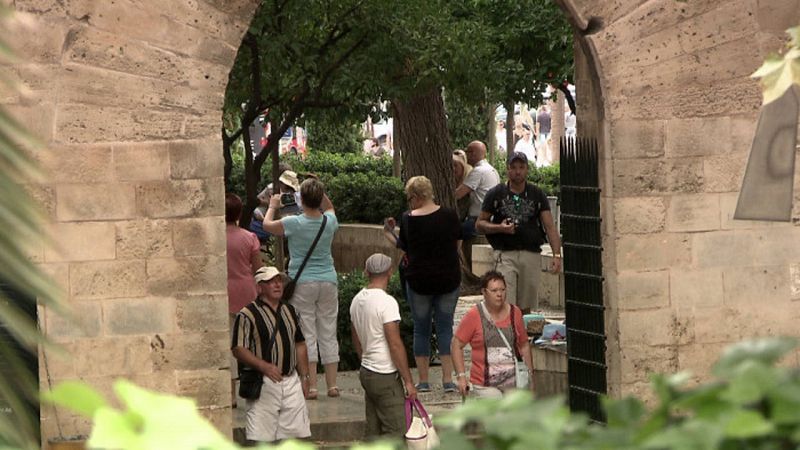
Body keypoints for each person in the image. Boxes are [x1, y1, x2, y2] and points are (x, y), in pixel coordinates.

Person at [262, 177, 340, 399]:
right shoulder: (329, 221)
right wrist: (317, 188)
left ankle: (312, 385)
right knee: (328, 329)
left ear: (300, 199)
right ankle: (332, 385)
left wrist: (272, 206)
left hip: (302, 281)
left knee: (307, 332)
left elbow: (267, 225)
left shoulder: (293, 222)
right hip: (328, 280)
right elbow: (330, 207)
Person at [384, 176, 461, 393]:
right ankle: (447, 379)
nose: (410, 203)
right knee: (445, 327)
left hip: (419, 281)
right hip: (448, 278)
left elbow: (403, 246)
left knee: (421, 329)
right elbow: (458, 241)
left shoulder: (408, 219)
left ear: (416, 197)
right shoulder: (449, 215)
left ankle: (424, 380)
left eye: (410, 198)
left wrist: (387, 231)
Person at [231, 266, 311, 443]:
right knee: (261, 438)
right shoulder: (247, 314)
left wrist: (305, 377)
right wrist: (263, 366)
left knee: (296, 437)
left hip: (290, 379)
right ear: (260, 287)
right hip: (264, 381)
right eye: (271, 281)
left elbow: (300, 343)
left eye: (279, 281)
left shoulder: (290, 311)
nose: (277, 285)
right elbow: (238, 348)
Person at [476, 152, 562, 315]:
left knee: (527, 304)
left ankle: (524, 335)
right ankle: (507, 334)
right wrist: (499, 228)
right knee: (505, 300)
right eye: (513, 167)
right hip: (505, 253)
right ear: (508, 170)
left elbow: (550, 226)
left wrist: (556, 255)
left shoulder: (537, 194)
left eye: (521, 167)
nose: (517, 171)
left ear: (527, 170)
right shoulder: (496, 193)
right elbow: (480, 223)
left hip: (530, 253)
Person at [350, 253, 418, 437]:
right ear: (390, 272)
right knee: (398, 430)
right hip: (385, 373)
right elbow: (394, 344)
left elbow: (355, 334)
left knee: (373, 430)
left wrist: (364, 358)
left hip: (367, 370)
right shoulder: (387, 302)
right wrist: (409, 381)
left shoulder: (357, 299)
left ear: (367, 271)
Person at [451, 271, 534, 397]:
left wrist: (530, 374)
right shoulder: (474, 315)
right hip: (485, 383)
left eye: (502, 290)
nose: (499, 294)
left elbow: (524, 345)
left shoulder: (515, 313)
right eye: (494, 291)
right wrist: (461, 376)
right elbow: (456, 344)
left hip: (513, 380)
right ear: (484, 292)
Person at [226, 193, 264, 407]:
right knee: (251, 341)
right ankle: (255, 386)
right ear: (239, 213)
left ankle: (230, 394)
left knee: (228, 344)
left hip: (225, 293)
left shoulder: (214, 237)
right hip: (247, 292)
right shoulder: (249, 238)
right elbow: (258, 269)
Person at [455, 141, 501, 266]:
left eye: (468, 151)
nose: (466, 155)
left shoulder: (478, 171)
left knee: (450, 232)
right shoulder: (492, 170)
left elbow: (458, 194)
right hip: (490, 219)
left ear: (473, 154)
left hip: (476, 220)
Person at [452, 149, 473, 222]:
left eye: (455, 165)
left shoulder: (469, 177)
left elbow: (457, 195)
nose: (453, 168)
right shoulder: (451, 180)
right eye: (451, 165)